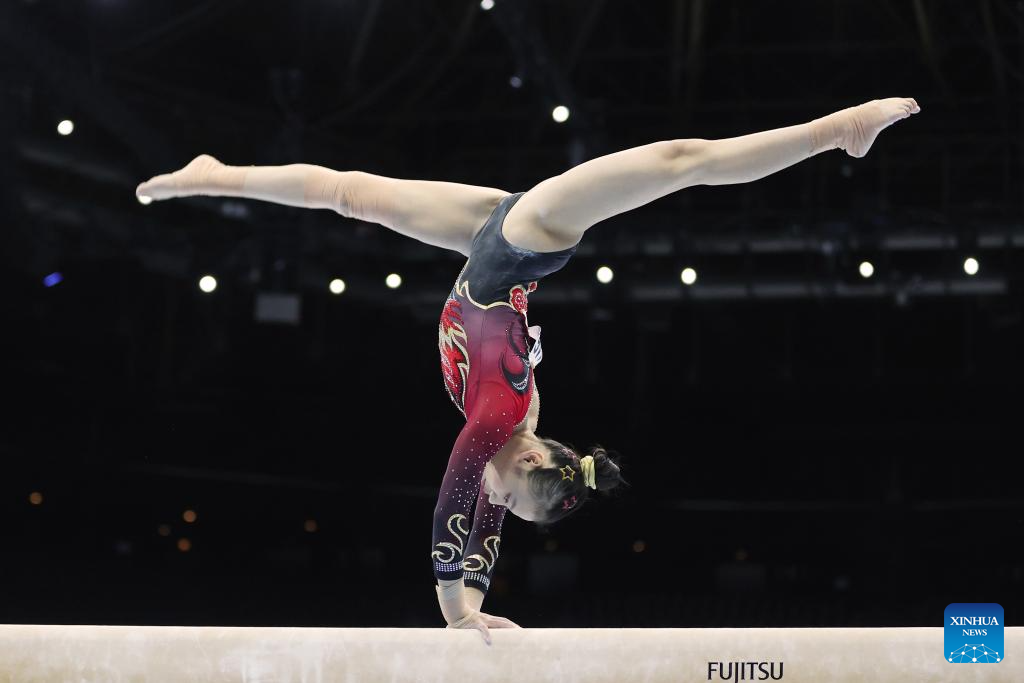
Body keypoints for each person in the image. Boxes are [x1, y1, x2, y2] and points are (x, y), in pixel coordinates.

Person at [136, 96, 921, 644]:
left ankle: (215, 175)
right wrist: (453, 603)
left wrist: (475, 602)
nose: (495, 500)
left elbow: (483, 515)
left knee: (347, 196)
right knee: (681, 162)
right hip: (526, 239)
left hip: (488, 242)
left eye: (505, 503)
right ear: (535, 458)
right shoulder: (498, 422)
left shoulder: (515, 440)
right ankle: (835, 132)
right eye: (510, 491)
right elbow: (457, 495)